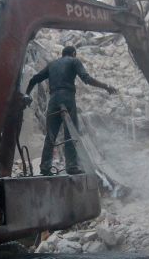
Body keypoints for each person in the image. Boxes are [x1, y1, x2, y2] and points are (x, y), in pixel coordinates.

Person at [25, 45, 116, 176]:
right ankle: (72, 166)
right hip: (67, 98)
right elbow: (86, 79)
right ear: (73, 53)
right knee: (71, 133)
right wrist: (106, 86)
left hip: (53, 99)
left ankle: (45, 168)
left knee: (50, 136)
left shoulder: (52, 64)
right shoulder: (74, 61)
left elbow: (34, 79)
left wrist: (27, 95)